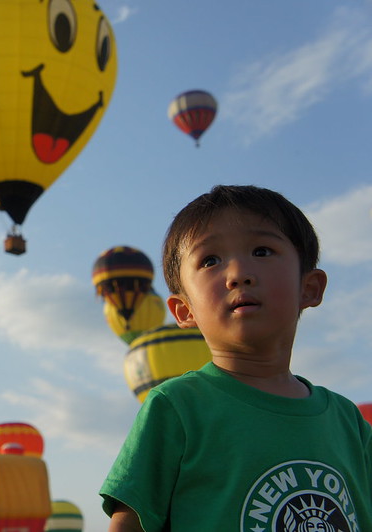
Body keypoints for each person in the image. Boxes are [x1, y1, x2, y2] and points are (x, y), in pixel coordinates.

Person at [99, 185, 372, 531]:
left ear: (310, 288)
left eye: (262, 250)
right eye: (210, 261)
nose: (238, 274)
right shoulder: (177, 407)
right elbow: (130, 523)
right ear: (184, 310)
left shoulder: (348, 422)